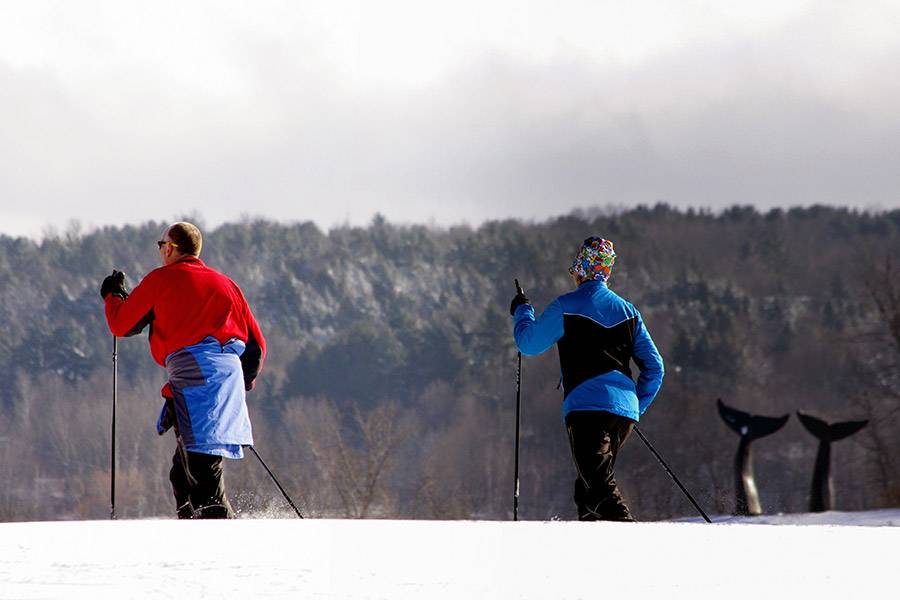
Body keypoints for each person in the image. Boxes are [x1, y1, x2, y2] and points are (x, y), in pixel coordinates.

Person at [100, 222, 266, 519]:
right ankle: (193, 537)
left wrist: (114, 296)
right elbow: (256, 344)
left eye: (161, 243)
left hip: (194, 378)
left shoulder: (161, 280)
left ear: (171, 248)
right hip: (228, 379)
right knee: (183, 474)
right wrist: (243, 383)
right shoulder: (226, 284)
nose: (160, 249)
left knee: (201, 474)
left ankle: (219, 539)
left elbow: (122, 324)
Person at [510, 237, 664, 521]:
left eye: (574, 269)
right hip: (624, 414)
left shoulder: (566, 306)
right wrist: (634, 406)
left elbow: (528, 344)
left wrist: (522, 311)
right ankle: (592, 546)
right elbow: (655, 368)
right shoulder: (630, 312)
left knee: (602, 491)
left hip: (586, 408)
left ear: (581, 269)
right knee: (589, 490)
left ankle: (634, 543)